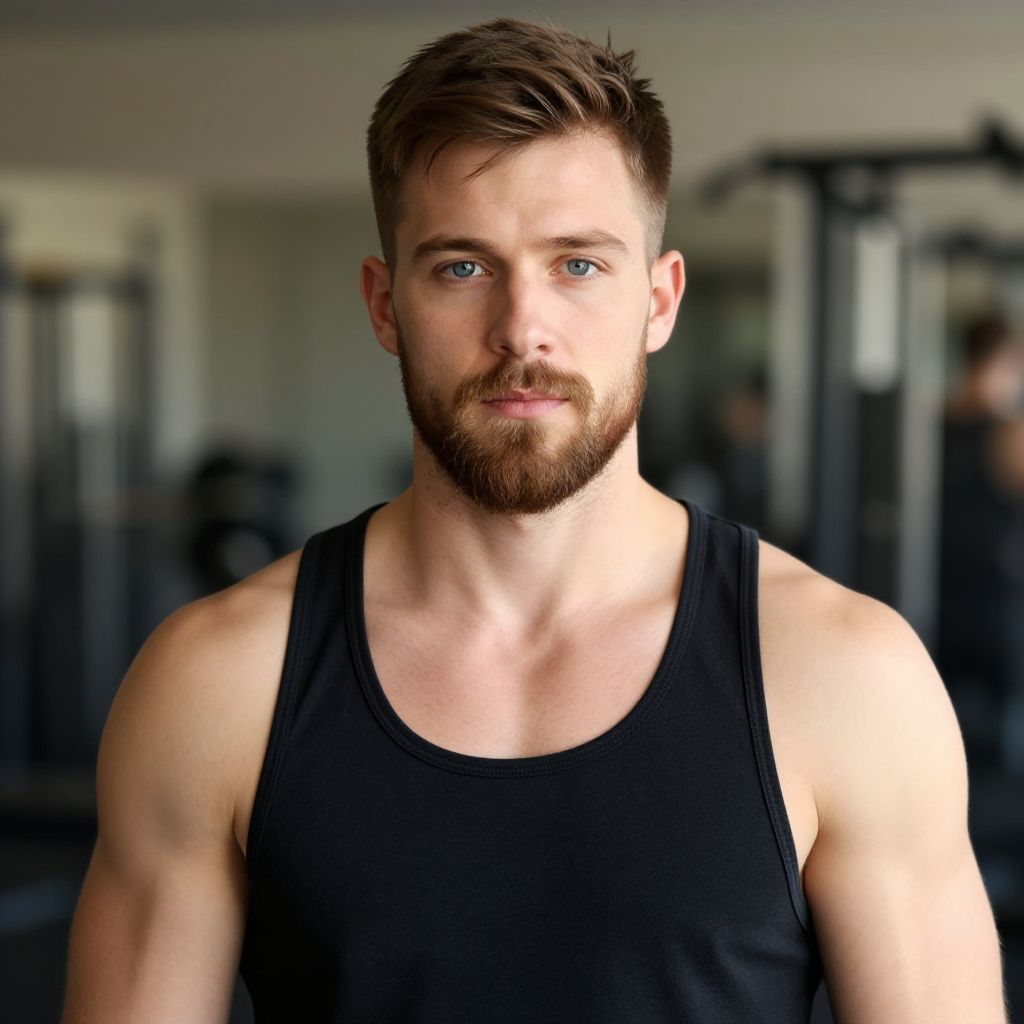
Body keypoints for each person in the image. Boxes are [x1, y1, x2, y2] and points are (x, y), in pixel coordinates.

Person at [61, 18, 1006, 1023]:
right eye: (461, 266)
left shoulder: (845, 678)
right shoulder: (216, 682)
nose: (522, 328)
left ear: (659, 296)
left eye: (577, 264)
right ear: (385, 305)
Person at [938, 311, 1024, 777]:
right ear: (1006, 361)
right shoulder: (1010, 433)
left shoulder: (933, 425)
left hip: (943, 597)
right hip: (991, 610)